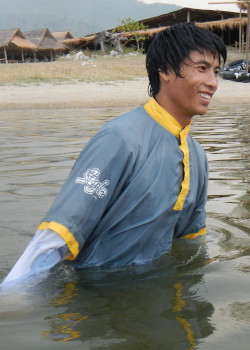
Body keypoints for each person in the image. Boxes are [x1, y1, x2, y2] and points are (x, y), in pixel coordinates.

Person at [1, 23, 227, 286]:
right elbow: (59, 234)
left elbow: (191, 241)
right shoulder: (120, 138)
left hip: (150, 293)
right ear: (164, 70)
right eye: (201, 68)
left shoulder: (197, 156)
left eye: (216, 71)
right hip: (92, 293)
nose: (212, 82)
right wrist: (13, 296)